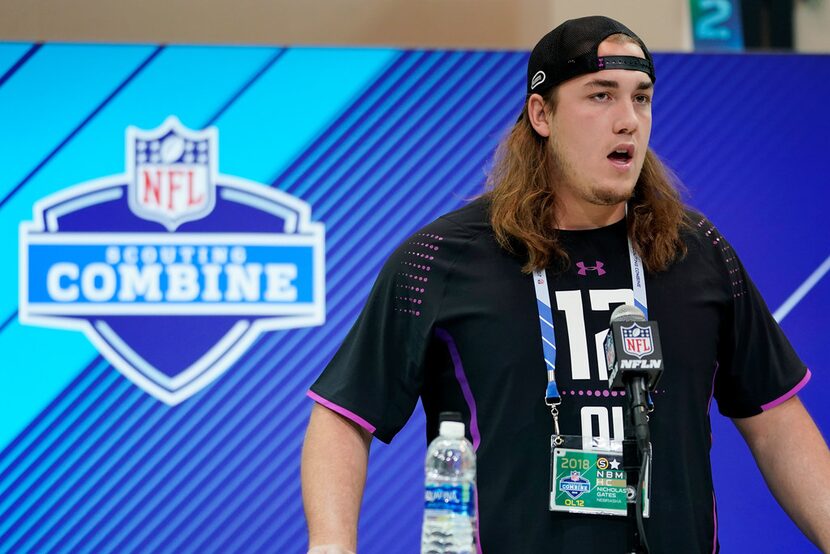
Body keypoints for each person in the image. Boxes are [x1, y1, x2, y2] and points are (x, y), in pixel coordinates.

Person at [301, 15, 830, 554]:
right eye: (601, 96)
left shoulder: (697, 252)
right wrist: (331, 545)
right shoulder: (440, 259)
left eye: (641, 98)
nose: (629, 120)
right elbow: (344, 418)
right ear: (541, 114)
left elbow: (776, 424)